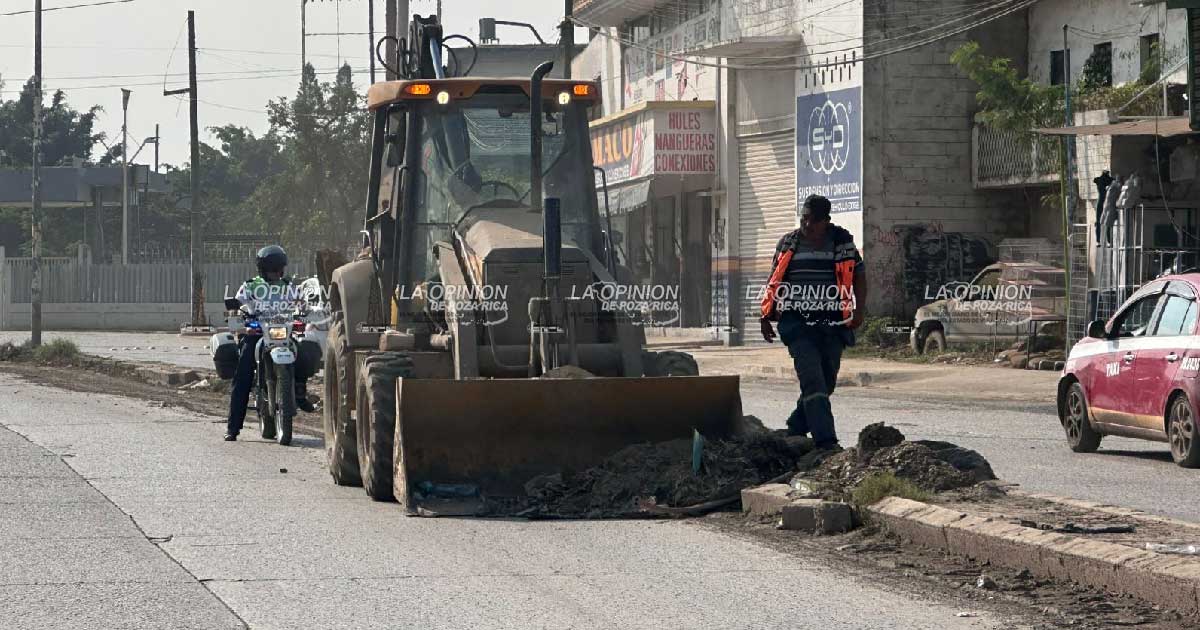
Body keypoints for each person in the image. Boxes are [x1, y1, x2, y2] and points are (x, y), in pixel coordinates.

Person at [759, 194, 866, 452]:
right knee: (813, 380)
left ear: (826, 221)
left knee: (826, 382)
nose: (807, 225)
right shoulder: (788, 243)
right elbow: (774, 280)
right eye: (804, 219)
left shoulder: (842, 242)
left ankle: (796, 427)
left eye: (813, 221)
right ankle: (825, 441)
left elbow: (860, 278)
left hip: (832, 324)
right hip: (798, 324)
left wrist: (859, 311)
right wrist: (765, 316)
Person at [224, 245, 316, 441]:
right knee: (243, 375)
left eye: (279, 268)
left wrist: (305, 312)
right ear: (263, 269)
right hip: (256, 333)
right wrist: (241, 324)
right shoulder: (250, 286)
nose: (277, 272)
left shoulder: (289, 286)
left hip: (282, 332)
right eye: (273, 269)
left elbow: (303, 305)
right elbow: (236, 307)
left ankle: (299, 393)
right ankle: (233, 428)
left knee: (305, 357)